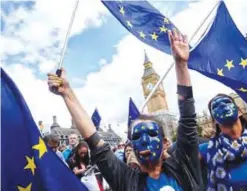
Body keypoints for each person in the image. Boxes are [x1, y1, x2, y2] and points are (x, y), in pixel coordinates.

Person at [47, 29, 203, 191]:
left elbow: (188, 119)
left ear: (165, 143)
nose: (144, 140)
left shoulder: (184, 168)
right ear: (132, 147)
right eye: (136, 136)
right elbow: (93, 138)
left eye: (151, 134)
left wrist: (181, 64)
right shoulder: (125, 180)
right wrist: (67, 93)